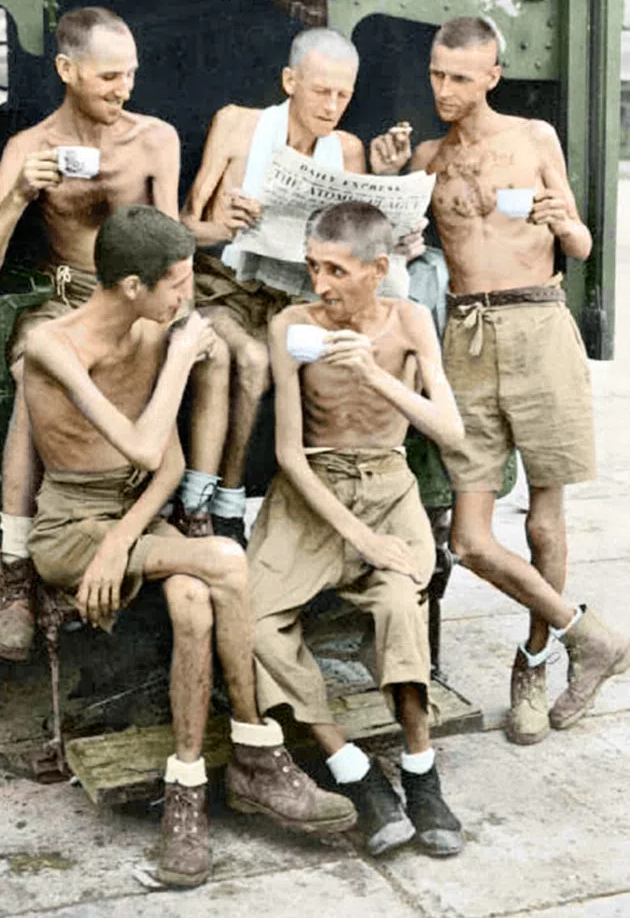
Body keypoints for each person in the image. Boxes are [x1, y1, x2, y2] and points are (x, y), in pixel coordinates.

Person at [23, 205, 356, 889]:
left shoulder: (151, 330)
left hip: (133, 520)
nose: (190, 296)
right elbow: (141, 445)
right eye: (177, 283)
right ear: (131, 287)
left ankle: (188, 790)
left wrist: (122, 541)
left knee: (196, 602)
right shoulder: (55, 346)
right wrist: (181, 356)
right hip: (68, 528)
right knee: (226, 559)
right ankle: (258, 756)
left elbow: (168, 467)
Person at [372, 16, 630, 746]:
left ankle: (536, 662)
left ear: (493, 74)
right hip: (465, 335)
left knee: (545, 522)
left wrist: (562, 220)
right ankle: (591, 635)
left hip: (540, 324)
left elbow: (579, 244)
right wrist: (392, 176)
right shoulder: (426, 157)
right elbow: (395, 242)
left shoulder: (534, 139)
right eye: (436, 74)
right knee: (473, 538)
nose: (445, 89)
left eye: (461, 76)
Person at [0, 7, 203, 663]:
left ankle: (194, 508)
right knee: (29, 374)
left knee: (211, 355)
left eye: (130, 74)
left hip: (143, 299)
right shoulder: (31, 147)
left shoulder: (154, 138)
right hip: (63, 301)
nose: (124, 89)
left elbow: (174, 243)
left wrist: (181, 308)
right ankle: (13, 561)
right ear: (67, 70)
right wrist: (17, 196)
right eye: (108, 77)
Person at [249, 201, 465, 857]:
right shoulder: (291, 324)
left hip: (386, 482)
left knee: (401, 601)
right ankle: (351, 768)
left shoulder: (411, 320)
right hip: (310, 492)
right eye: (313, 266)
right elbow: (289, 452)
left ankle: (421, 770)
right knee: (253, 624)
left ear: (379, 269)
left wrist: (374, 371)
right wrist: (361, 540)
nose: (321, 283)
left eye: (337, 270)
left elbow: (451, 432)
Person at [177, 27, 416, 545]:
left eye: (344, 94)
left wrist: (393, 202)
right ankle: (222, 503)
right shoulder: (238, 125)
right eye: (320, 91)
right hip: (226, 289)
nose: (332, 106)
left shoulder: (346, 149)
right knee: (256, 360)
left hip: (295, 298)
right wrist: (227, 227)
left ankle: (352, 497)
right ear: (290, 80)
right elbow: (184, 227)